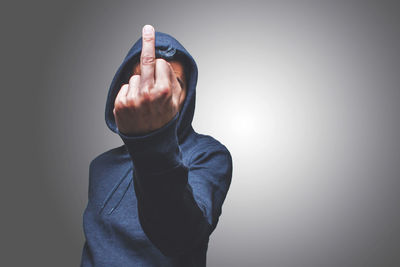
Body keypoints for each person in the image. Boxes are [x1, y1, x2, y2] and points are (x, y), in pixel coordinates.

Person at [80, 24, 233, 266]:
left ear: (187, 96)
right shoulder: (100, 166)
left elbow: (179, 239)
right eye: (144, 78)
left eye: (174, 83)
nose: (156, 92)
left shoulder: (208, 154)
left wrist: (153, 142)